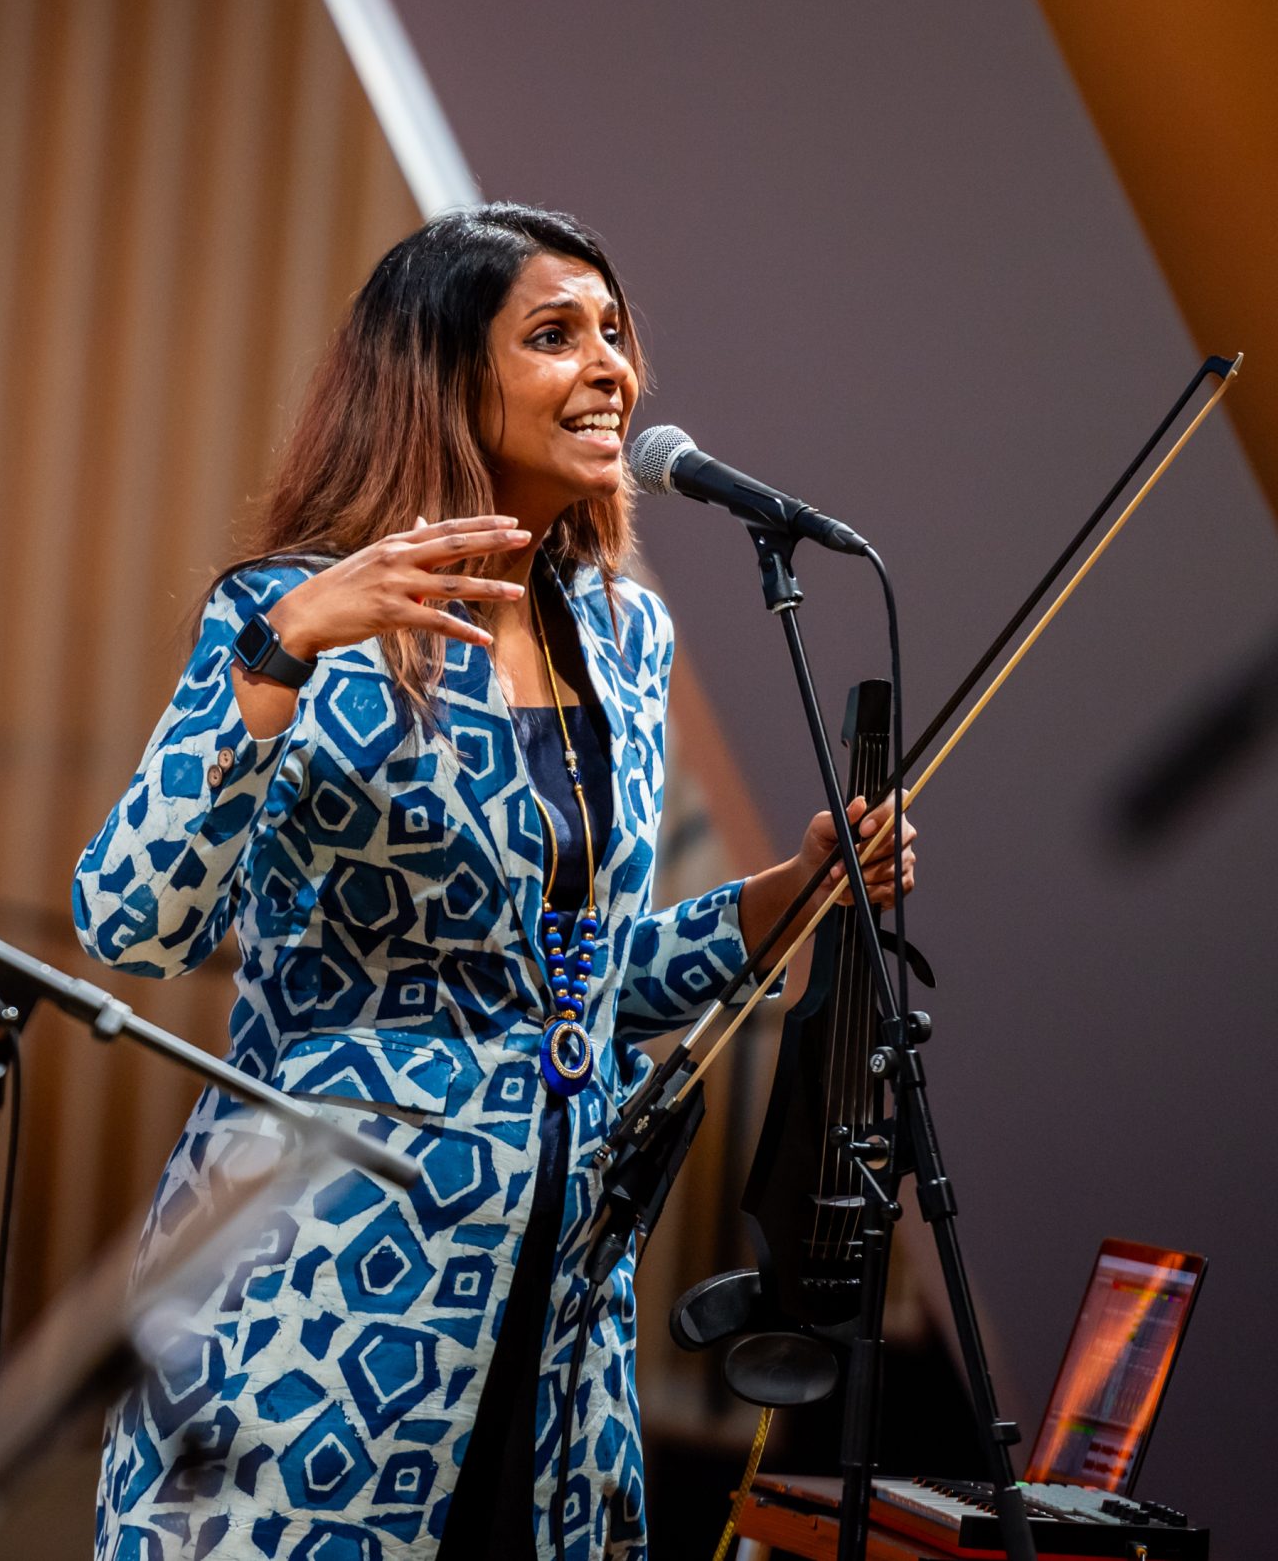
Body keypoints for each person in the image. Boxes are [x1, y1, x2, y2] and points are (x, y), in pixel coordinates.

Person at [74, 205, 915, 1561]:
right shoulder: (291, 616)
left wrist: (787, 895)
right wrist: (281, 650)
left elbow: (577, 982)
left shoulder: (622, 636)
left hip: (557, 1306)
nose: (611, 370)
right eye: (553, 335)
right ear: (445, 377)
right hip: (324, 1296)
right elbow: (132, 918)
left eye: (614, 333)